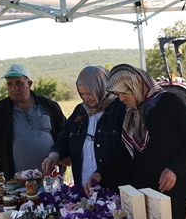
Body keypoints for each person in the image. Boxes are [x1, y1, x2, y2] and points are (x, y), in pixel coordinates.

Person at [106, 63, 186, 219]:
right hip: (151, 189)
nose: (121, 99)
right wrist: (101, 173)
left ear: (137, 85)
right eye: (117, 94)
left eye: (124, 92)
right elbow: (125, 152)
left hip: (180, 185)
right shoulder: (131, 113)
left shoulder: (170, 102)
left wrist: (174, 169)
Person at [41, 66, 131, 195]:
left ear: (102, 87)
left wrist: (101, 173)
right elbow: (65, 136)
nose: (85, 98)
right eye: (82, 94)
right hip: (83, 188)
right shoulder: (80, 111)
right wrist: (55, 154)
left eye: (89, 93)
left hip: (113, 189)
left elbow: (125, 152)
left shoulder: (121, 109)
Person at [0, 64, 66, 180]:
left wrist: (63, 155)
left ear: (29, 84)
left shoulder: (49, 107)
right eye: (9, 84)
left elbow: (65, 136)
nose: (14, 88)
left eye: (18, 83)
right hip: (14, 184)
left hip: (50, 181)